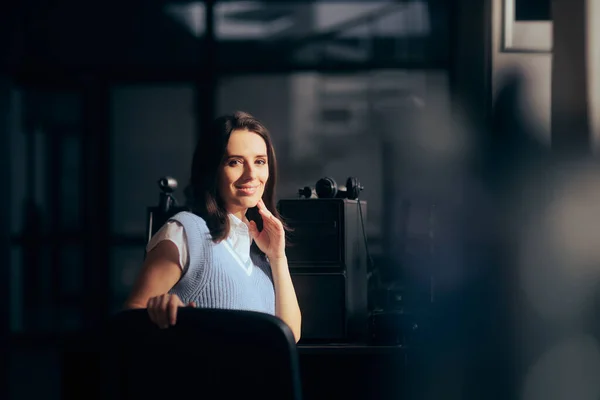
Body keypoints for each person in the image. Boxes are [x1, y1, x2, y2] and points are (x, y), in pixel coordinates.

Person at [124, 111, 302, 342]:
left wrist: (278, 258)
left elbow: (289, 335)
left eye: (259, 161)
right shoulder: (186, 231)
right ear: (212, 170)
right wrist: (159, 310)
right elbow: (128, 320)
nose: (251, 174)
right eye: (234, 162)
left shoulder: (260, 254)